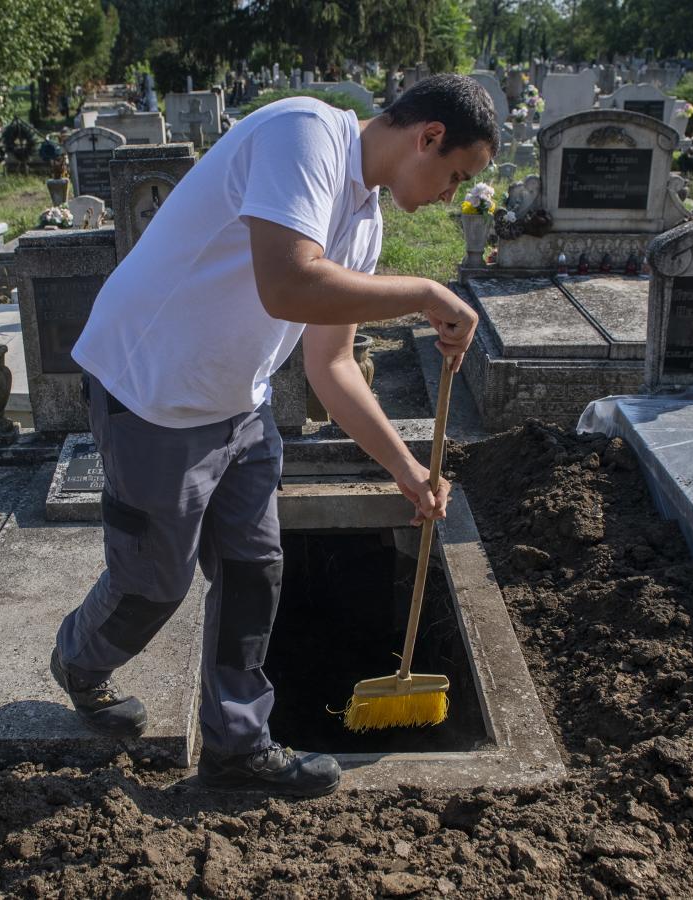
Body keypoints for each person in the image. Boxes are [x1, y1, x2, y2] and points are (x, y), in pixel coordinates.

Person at [51, 75, 497, 797]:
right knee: (154, 583)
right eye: (456, 176)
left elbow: (331, 364)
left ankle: (236, 746)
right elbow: (286, 286)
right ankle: (80, 657)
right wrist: (421, 294)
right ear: (429, 137)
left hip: (238, 404)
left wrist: (406, 470)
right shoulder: (304, 133)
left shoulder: (365, 222)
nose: (451, 194)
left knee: (255, 568)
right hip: (153, 394)